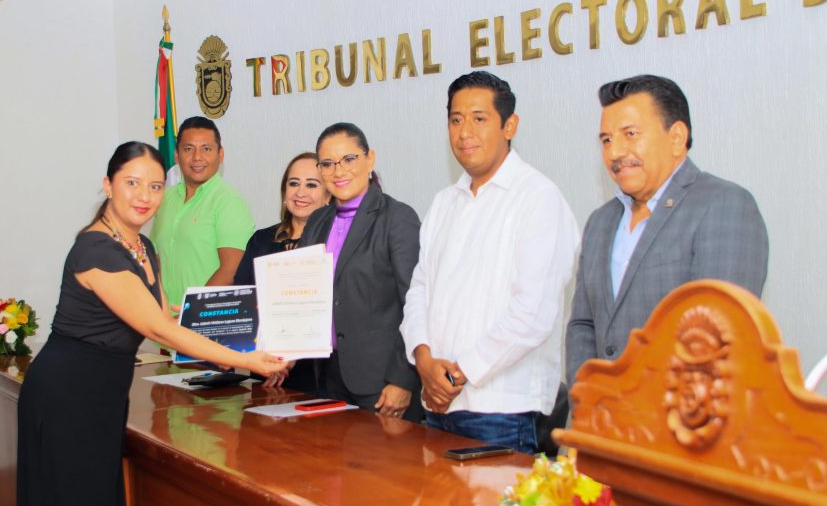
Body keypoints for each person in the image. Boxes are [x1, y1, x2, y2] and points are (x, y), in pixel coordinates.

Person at [16, 142, 285, 506]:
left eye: (156, 186)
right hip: (68, 394)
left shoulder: (143, 247)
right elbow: (159, 331)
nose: (145, 196)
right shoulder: (96, 249)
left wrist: (241, 333)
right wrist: (247, 358)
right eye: (132, 183)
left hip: (104, 393)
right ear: (108, 185)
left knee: (95, 505)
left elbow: (166, 318)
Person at [400, 71, 579, 455]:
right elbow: (419, 291)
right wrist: (424, 360)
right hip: (437, 404)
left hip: (502, 411)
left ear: (509, 126)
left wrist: (456, 376)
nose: (465, 132)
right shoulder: (444, 202)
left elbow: (532, 314)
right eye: (455, 119)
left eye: (479, 118)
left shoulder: (538, 199)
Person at [565, 74, 769, 386]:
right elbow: (583, 324)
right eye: (606, 140)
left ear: (676, 137)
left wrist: (647, 407)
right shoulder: (600, 222)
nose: (615, 152)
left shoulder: (723, 204)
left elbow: (717, 335)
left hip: (680, 411)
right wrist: (587, 398)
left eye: (630, 134)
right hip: (603, 414)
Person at [299, 122, 423, 422]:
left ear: (370, 159)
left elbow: (417, 304)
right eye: (328, 163)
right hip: (328, 377)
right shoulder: (317, 221)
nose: (338, 171)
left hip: (382, 383)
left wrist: (403, 379)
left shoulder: (397, 218)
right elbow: (304, 294)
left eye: (349, 159)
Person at [233, 151, 331, 390]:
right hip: (263, 367)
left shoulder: (335, 244)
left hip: (318, 373)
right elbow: (242, 300)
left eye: (312, 185)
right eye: (294, 183)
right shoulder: (261, 240)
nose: (301, 192)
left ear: (328, 195)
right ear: (284, 193)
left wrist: (291, 354)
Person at [150, 116, 255, 309]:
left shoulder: (228, 202)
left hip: (205, 318)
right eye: (188, 149)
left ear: (220, 155)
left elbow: (231, 270)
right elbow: (155, 259)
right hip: (164, 319)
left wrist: (191, 312)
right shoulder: (164, 198)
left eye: (206, 149)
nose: (197, 157)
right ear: (176, 155)